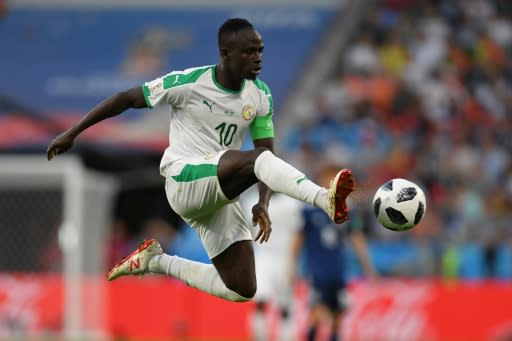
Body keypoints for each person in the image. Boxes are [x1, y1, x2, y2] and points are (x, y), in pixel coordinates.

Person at [46, 18, 355, 303]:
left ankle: (157, 261)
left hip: (219, 193)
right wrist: (73, 133)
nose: (258, 58)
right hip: (184, 181)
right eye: (249, 52)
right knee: (252, 159)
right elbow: (126, 99)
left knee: (242, 289)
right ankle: (324, 198)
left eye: (260, 51)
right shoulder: (188, 83)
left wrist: (263, 201)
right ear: (226, 54)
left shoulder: (260, 94)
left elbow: (267, 153)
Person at [291, 164, 376, 341]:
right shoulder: (309, 210)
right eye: (329, 180)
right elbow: (298, 240)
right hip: (317, 272)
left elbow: (356, 238)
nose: (332, 185)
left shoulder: (347, 211)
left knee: (337, 317)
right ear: (320, 182)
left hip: (338, 272)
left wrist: (368, 267)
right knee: (318, 313)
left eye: (335, 181)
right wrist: (292, 267)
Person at [240, 188, 303, 341]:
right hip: (262, 259)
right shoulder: (251, 201)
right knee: (260, 303)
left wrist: (293, 264)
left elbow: (298, 235)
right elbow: (244, 233)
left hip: (285, 260)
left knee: (285, 308)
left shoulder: (291, 204)